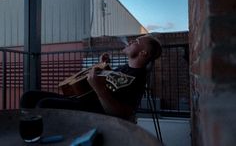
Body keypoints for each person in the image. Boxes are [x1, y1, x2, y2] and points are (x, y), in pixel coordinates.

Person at [20, 34, 162, 122]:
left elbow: (123, 113)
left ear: (143, 53)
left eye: (136, 41)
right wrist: (105, 66)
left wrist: (99, 88)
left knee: (44, 105)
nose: (130, 41)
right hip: (85, 99)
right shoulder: (125, 68)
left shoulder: (138, 78)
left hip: (95, 110)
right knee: (29, 96)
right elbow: (116, 84)